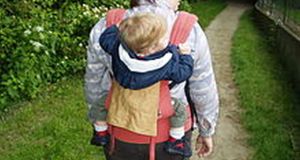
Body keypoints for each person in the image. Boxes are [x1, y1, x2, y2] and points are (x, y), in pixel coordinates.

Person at [84, 0, 219, 159]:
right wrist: (206, 131)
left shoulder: (107, 26)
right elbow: (203, 89)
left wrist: (98, 122)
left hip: (120, 134)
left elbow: (94, 83)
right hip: (170, 136)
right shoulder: (189, 30)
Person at [91, 12, 194, 157]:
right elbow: (183, 72)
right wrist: (185, 55)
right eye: (164, 37)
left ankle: (100, 131)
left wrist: (118, 27)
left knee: (101, 104)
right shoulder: (165, 63)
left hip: (123, 99)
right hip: (154, 107)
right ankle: (176, 140)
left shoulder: (119, 51)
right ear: (152, 47)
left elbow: (104, 39)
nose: (168, 38)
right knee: (179, 110)